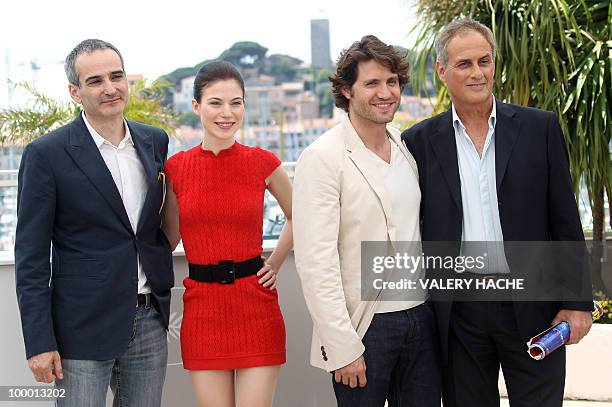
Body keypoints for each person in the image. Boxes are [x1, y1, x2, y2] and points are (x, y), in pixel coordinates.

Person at [402, 18, 593, 407]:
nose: (477, 73)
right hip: (460, 313)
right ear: (442, 71)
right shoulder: (418, 142)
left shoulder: (540, 129)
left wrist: (577, 302)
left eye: (484, 61)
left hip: (534, 305)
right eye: (464, 64)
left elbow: (565, 221)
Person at [15, 39, 174, 406]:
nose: (110, 88)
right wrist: (40, 342)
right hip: (80, 329)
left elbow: (151, 226)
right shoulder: (46, 155)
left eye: (116, 76)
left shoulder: (154, 141)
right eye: (95, 81)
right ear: (75, 91)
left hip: (149, 319)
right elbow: (32, 258)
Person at [292, 35, 441, 407]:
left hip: (421, 318)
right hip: (365, 327)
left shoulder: (405, 147)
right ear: (346, 90)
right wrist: (342, 346)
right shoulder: (322, 158)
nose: (385, 92)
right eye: (372, 83)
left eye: (391, 82)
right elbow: (315, 262)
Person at [161, 61, 293, 407]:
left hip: (256, 309)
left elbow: (301, 217)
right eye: (216, 103)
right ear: (196, 107)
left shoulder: (263, 162)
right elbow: (168, 237)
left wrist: (276, 262)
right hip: (202, 312)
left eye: (236, 102)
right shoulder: (176, 168)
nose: (227, 113)